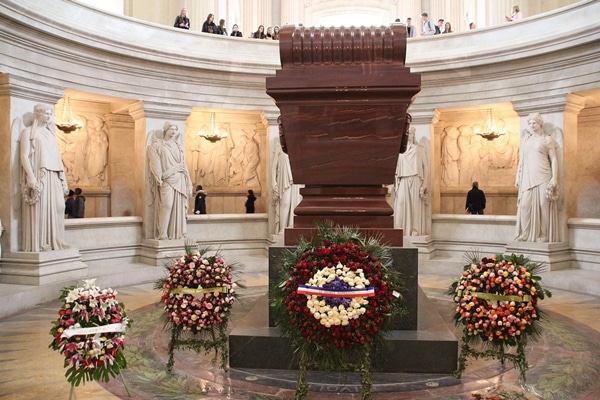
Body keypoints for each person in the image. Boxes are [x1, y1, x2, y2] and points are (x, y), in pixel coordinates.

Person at [19, 104, 69, 251]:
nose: (48, 117)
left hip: (54, 175)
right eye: (46, 113)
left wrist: (63, 180)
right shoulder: (28, 132)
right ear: (37, 114)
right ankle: (42, 243)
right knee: (42, 208)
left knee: (60, 207)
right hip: (41, 175)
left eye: (50, 114)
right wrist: (31, 176)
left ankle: (57, 240)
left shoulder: (51, 134)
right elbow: (24, 155)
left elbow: (58, 157)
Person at [515, 113, 560, 242]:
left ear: (540, 123)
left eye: (534, 122)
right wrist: (517, 176)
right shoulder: (526, 140)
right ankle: (525, 233)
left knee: (543, 204)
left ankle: (543, 234)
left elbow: (554, 159)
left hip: (544, 174)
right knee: (524, 205)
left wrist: (555, 178)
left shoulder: (547, 139)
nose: (532, 125)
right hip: (527, 176)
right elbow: (521, 160)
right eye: (529, 123)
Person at [147, 122, 193, 240]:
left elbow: (183, 164)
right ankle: (162, 233)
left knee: (178, 207)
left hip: (180, 179)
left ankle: (177, 234)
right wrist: (165, 173)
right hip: (167, 179)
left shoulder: (178, 146)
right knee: (166, 205)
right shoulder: (159, 145)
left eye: (175, 129)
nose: (173, 132)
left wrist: (189, 182)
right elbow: (155, 164)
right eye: (171, 129)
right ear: (165, 130)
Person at [393, 126, 428, 236]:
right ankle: (400, 228)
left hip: (415, 178)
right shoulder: (400, 151)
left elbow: (425, 167)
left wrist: (425, 183)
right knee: (401, 203)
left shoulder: (419, 149)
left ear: (414, 135)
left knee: (414, 205)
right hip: (403, 178)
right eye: (407, 134)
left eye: (410, 134)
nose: (409, 136)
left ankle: (414, 229)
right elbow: (396, 167)